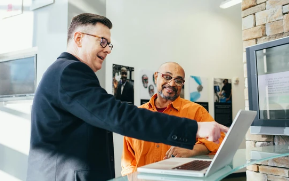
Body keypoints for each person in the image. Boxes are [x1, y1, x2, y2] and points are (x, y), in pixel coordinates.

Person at [26, 13, 228, 181]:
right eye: (102, 41)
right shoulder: (70, 72)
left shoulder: (65, 72)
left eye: (109, 44)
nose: (107, 49)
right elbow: (118, 116)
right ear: (78, 38)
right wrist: (195, 128)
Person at [121, 62, 225, 176]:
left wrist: (193, 149)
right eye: (167, 77)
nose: (171, 83)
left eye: (178, 80)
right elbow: (128, 161)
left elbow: (220, 139)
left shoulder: (196, 111)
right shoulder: (137, 115)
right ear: (156, 77)